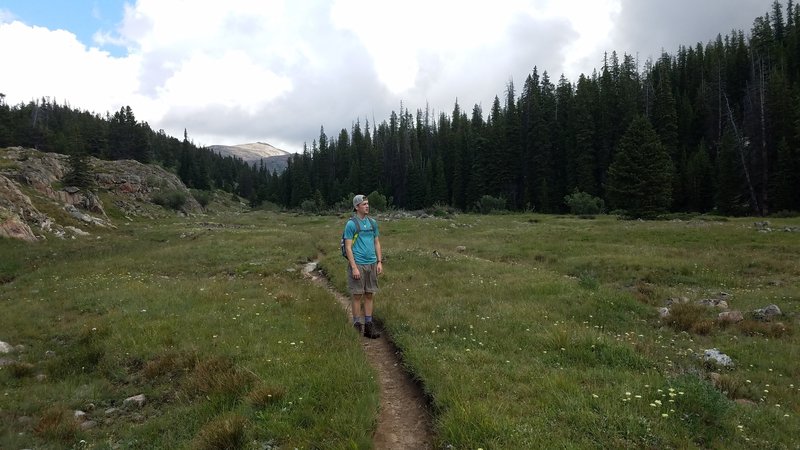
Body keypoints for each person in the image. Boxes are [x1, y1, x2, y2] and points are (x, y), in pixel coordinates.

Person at [344, 194, 383, 338]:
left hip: (372, 263)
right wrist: (353, 267)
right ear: (356, 207)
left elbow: (376, 242)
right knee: (357, 295)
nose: (367, 206)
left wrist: (379, 261)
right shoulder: (351, 224)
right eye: (364, 204)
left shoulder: (373, 223)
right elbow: (348, 247)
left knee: (369, 294)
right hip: (358, 264)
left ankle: (368, 326)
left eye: (367, 203)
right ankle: (356, 326)